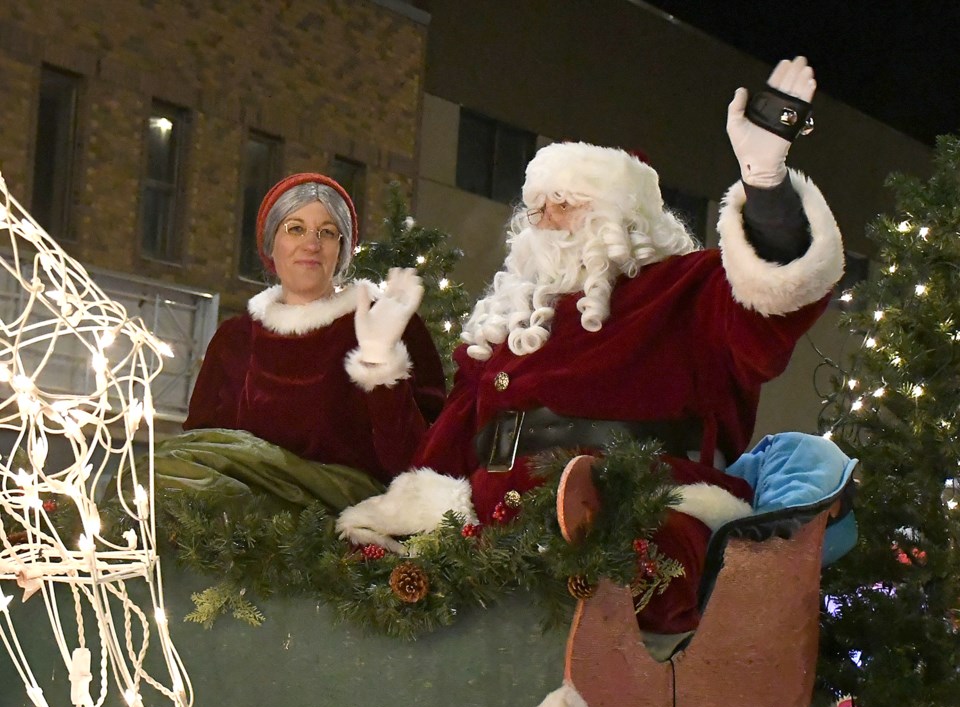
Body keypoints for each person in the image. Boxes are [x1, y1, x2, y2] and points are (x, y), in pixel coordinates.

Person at [336, 57, 843, 640]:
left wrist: (764, 181)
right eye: (537, 208)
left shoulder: (685, 289)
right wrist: (379, 370)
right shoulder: (505, 328)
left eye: (566, 203)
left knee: (628, 554)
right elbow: (434, 459)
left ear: (620, 217)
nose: (545, 222)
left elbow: (776, 296)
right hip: (491, 515)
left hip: (645, 506)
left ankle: (585, 526)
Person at [145, 172, 446, 515]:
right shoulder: (235, 339)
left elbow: (419, 463)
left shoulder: (386, 322)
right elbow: (203, 451)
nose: (312, 244)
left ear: (341, 250)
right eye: (296, 228)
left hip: (343, 537)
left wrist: (379, 364)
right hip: (240, 536)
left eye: (328, 232)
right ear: (271, 243)